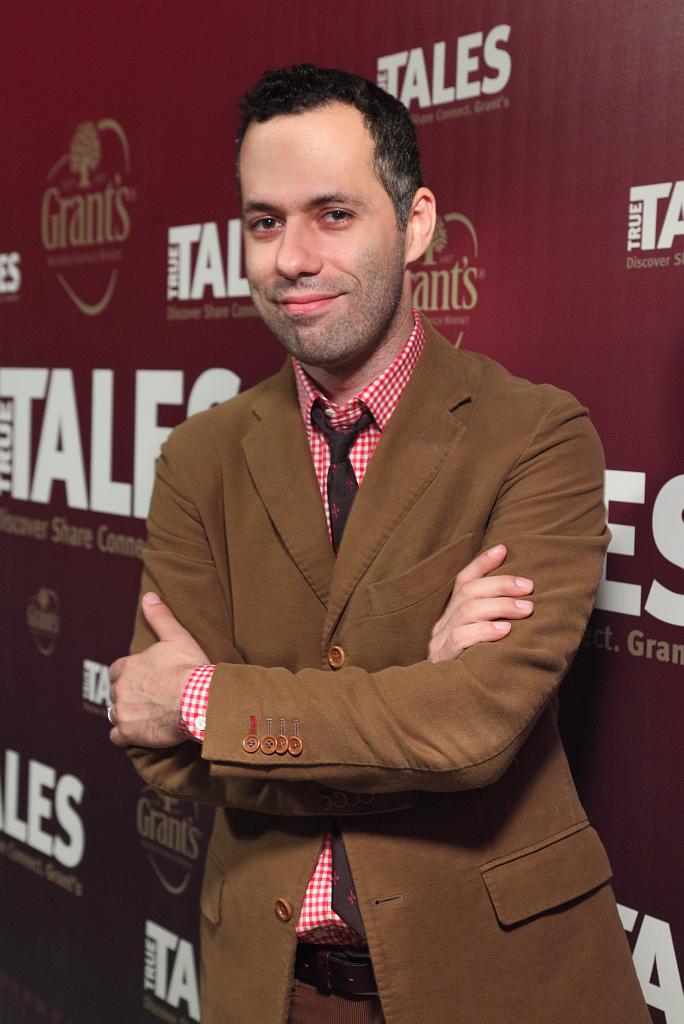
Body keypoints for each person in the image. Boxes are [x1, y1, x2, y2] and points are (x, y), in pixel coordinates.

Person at [108, 65, 649, 1024]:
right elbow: (158, 751)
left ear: (416, 222)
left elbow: (474, 732)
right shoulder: (199, 457)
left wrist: (204, 701)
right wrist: (418, 698)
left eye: (333, 214)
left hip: (499, 985)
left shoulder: (537, 435)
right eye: (265, 222)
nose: (292, 258)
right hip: (273, 990)